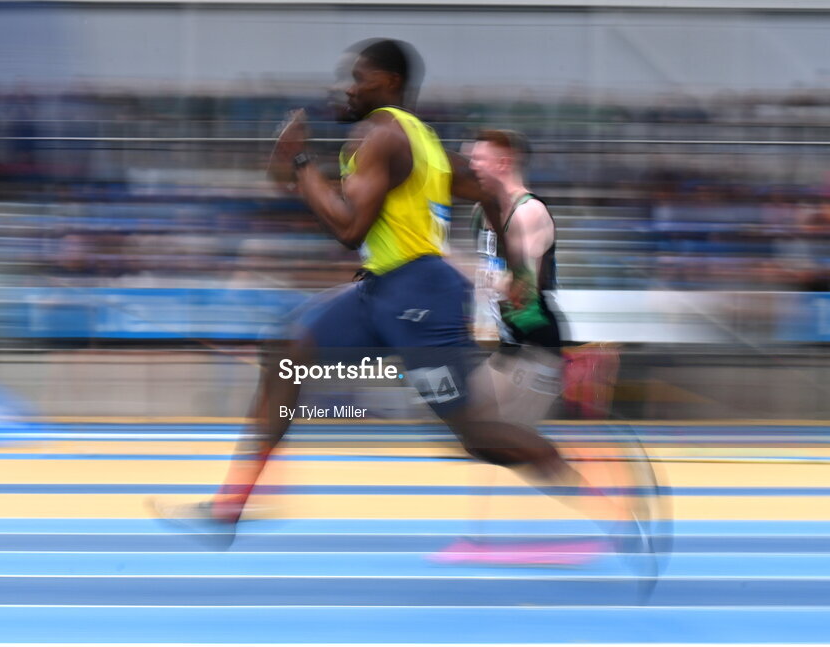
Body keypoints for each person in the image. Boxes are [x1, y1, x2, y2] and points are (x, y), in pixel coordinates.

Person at [151, 40, 643, 562]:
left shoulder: (381, 134)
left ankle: (607, 498)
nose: (346, 87)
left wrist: (300, 162)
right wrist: (511, 267)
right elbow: (488, 192)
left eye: (357, 77)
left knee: (479, 437)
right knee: (286, 353)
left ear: (386, 83)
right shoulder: (423, 141)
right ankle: (234, 504)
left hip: (419, 296)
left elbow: (348, 226)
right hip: (381, 288)